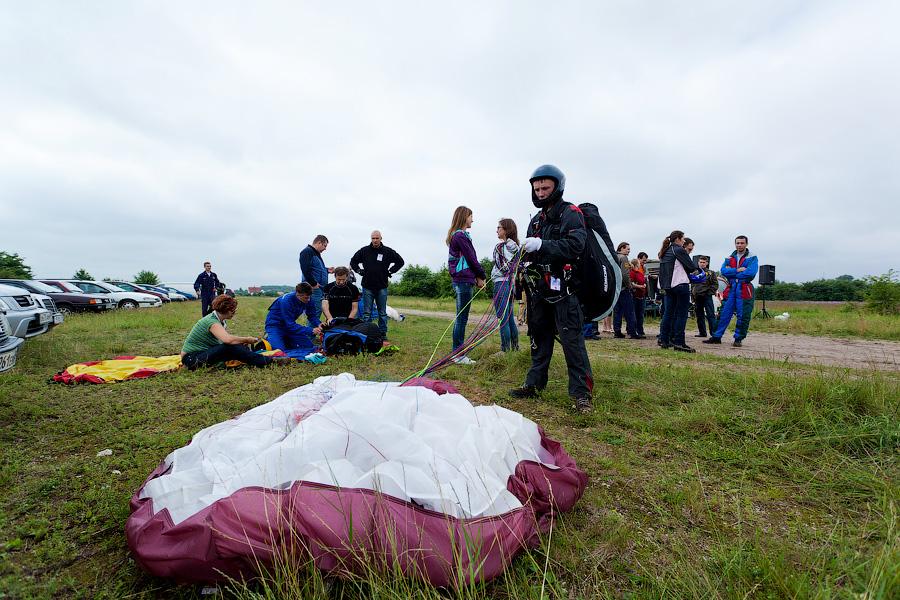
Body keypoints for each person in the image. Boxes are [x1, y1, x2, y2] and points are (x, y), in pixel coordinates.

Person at [509, 165, 593, 413]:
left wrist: (542, 244)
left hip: (565, 290)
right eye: (537, 189)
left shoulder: (571, 213)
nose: (541, 192)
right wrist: (522, 254)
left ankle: (581, 394)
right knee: (539, 338)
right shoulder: (536, 220)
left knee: (572, 342)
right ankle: (534, 385)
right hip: (540, 291)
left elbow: (576, 245)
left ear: (557, 187)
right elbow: (532, 251)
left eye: (545, 188)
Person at [181, 295, 287, 369]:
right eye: (233, 310)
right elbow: (227, 340)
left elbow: (224, 342)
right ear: (227, 310)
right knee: (230, 347)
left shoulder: (218, 320)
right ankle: (269, 361)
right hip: (191, 359)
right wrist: (246, 339)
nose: (234, 312)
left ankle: (260, 359)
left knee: (238, 347)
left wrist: (240, 343)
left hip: (201, 354)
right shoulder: (212, 322)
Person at [447, 206, 487, 364]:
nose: (473, 220)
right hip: (463, 280)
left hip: (463, 279)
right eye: (471, 216)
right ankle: (458, 354)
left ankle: (456, 352)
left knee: (461, 318)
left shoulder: (460, 236)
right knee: (462, 318)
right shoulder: (460, 236)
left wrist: (476, 277)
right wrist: (481, 275)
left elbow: (469, 258)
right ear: (464, 217)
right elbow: (471, 258)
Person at [704, 235, 758, 347]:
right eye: (737, 243)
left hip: (744, 288)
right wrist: (738, 270)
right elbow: (723, 271)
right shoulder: (729, 258)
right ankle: (716, 336)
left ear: (746, 244)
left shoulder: (752, 257)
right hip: (732, 287)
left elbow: (751, 273)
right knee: (723, 312)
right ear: (735, 244)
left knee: (743, 315)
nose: (739, 245)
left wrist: (732, 272)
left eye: (742, 243)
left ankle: (738, 339)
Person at [350, 230, 405, 339]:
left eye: (377, 238)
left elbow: (400, 261)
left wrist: (391, 271)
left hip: (382, 286)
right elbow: (353, 261)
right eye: (373, 238)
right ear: (371, 239)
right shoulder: (364, 251)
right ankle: (366, 333)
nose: (375, 240)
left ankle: (382, 334)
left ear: (381, 238)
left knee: (382, 313)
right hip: (367, 286)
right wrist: (359, 270)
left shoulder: (387, 251)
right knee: (367, 313)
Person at [657, 230, 702, 352]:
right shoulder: (679, 250)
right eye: (683, 239)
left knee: (668, 314)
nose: (684, 241)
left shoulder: (665, 251)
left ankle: (664, 340)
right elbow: (691, 267)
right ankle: (679, 342)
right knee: (681, 315)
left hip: (668, 286)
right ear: (677, 239)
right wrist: (700, 272)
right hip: (680, 285)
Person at [264, 282, 323, 358]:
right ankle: (269, 337)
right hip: (275, 326)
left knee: (309, 346)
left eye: (309, 297)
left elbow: (312, 315)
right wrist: (311, 330)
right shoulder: (286, 301)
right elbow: (290, 325)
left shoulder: (308, 298)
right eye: (306, 298)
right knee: (279, 352)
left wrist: (319, 324)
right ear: (298, 294)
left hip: (290, 327)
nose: (308, 300)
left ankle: (286, 341)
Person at [491, 218, 520, 352]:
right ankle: (515, 348)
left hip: (500, 284)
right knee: (509, 318)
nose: (497, 230)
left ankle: (505, 350)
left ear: (506, 230)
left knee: (503, 318)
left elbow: (501, 267)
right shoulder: (517, 248)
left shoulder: (499, 247)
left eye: (499, 228)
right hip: (510, 285)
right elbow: (515, 267)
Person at [299, 235, 333, 322]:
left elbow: (317, 269)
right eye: (324, 245)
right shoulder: (307, 252)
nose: (325, 248)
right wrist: (313, 283)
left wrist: (327, 270)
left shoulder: (316, 254)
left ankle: (312, 332)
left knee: (317, 310)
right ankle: (311, 333)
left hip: (319, 287)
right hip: (313, 287)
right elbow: (305, 269)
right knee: (315, 311)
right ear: (319, 243)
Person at [612, 242, 640, 339]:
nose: (629, 251)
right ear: (622, 248)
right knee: (629, 311)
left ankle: (617, 331)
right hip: (624, 288)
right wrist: (630, 286)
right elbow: (625, 274)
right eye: (628, 249)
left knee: (617, 311)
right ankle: (633, 332)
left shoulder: (614, 256)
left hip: (616, 289)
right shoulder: (624, 258)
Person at [691, 256, 718, 338]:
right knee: (699, 315)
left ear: (707, 263)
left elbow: (715, 285)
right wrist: (693, 295)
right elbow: (692, 285)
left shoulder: (711, 273)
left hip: (707, 296)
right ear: (698, 263)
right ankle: (702, 332)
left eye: (704, 262)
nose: (702, 264)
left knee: (710, 315)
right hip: (697, 297)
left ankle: (714, 333)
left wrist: (708, 293)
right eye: (700, 262)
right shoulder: (694, 273)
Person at [630, 258, 648, 337]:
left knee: (640, 314)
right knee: (634, 314)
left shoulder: (640, 273)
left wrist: (644, 285)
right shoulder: (632, 273)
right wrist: (639, 286)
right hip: (635, 296)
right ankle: (634, 330)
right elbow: (631, 283)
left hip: (641, 296)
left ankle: (640, 330)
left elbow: (644, 281)